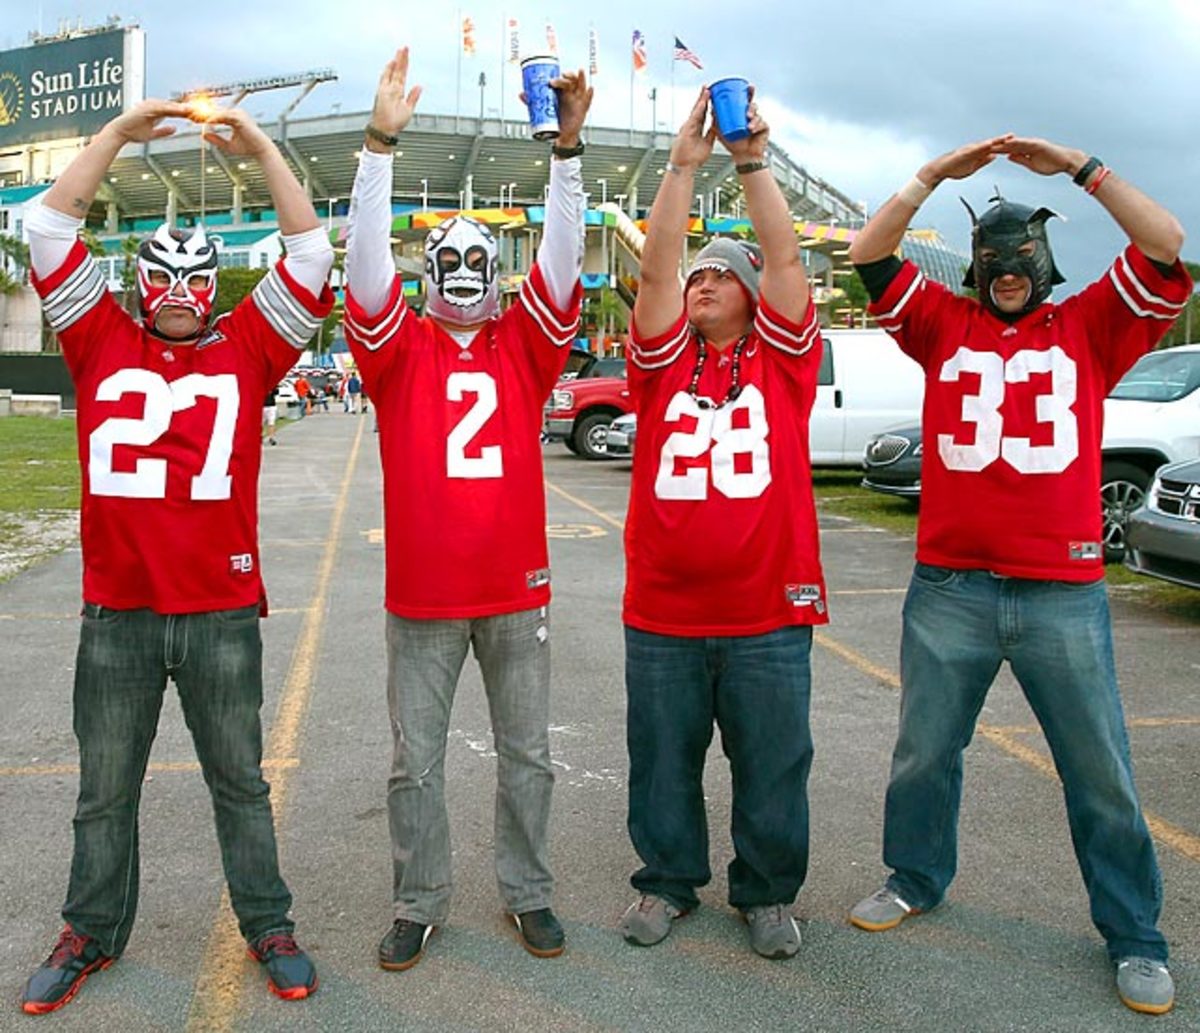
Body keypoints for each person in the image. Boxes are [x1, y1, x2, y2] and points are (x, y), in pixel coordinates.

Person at [845, 135, 1189, 1016]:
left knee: (1098, 765)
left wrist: (1080, 167)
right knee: (925, 751)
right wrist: (931, 177)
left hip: (1060, 589)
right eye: (991, 257)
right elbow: (868, 253)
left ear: (1045, 261)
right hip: (950, 584)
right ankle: (915, 875)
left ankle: (1135, 932)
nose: (1006, 269)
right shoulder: (939, 324)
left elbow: (1164, 241)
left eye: (1021, 256)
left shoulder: (1089, 326)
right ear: (973, 268)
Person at [19, 98, 334, 1015]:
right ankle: (92, 928)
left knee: (240, 781)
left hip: (218, 612)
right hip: (116, 608)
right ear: (137, 280)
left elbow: (309, 254)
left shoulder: (249, 348)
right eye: (163, 276)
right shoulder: (96, 336)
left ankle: (267, 922)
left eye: (198, 280)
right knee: (103, 790)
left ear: (218, 287)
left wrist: (263, 144)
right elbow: (47, 222)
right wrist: (116, 135)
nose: (180, 293)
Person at [342, 47, 591, 970]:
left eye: (475, 260)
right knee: (415, 763)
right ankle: (420, 898)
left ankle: (528, 891)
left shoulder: (524, 345)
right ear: (426, 269)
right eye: (444, 260)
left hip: (514, 589)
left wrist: (567, 155)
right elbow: (365, 263)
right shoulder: (395, 347)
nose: (459, 272)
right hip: (424, 596)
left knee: (528, 755)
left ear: (497, 267)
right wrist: (378, 148)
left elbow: (563, 262)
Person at [618, 86, 826, 961]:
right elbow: (657, 270)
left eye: (720, 275)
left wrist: (748, 162)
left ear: (751, 294)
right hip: (663, 608)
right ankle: (668, 882)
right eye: (697, 275)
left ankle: (768, 891)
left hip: (767, 609)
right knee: (662, 763)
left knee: (773, 765)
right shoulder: (663, 368)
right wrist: (680, 167)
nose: (701, 283)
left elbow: (783, 259)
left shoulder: (782, 364)